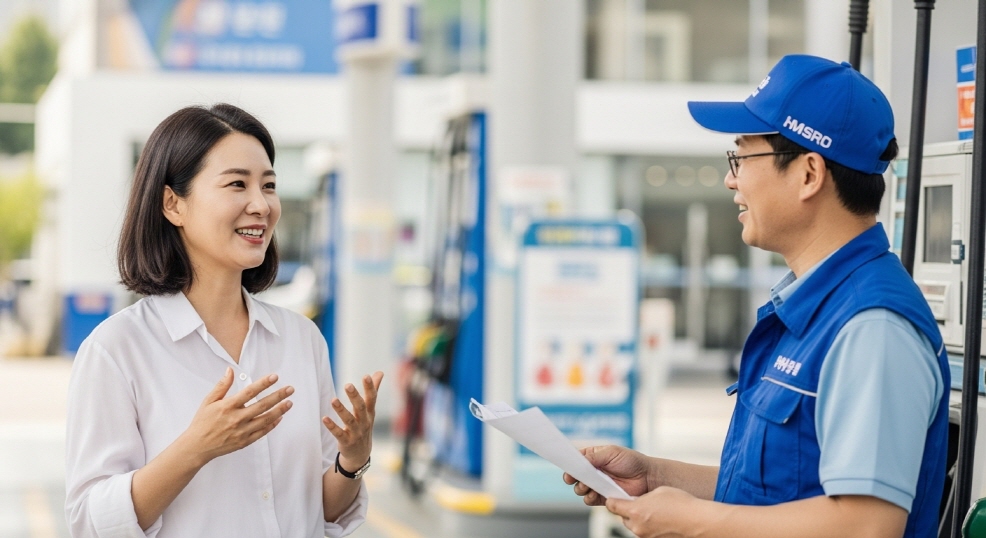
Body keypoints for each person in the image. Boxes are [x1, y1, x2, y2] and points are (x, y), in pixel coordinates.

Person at [564, 55, 949, 538]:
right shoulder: (814, 311)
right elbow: (777, 495)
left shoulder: (872, 327)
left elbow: (865, 525)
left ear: (809, 174)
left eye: (742, 157)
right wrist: (656, 477)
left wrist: (693, 522)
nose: (731, 179)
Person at [65, 103, 383, 537]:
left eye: (269, 186)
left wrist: (352, 460)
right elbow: (89, 522)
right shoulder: (117, 348)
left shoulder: (301, 339)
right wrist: (196, 448)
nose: (262, 205)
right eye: (238, 184)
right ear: (173, 204)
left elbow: (323, 512)